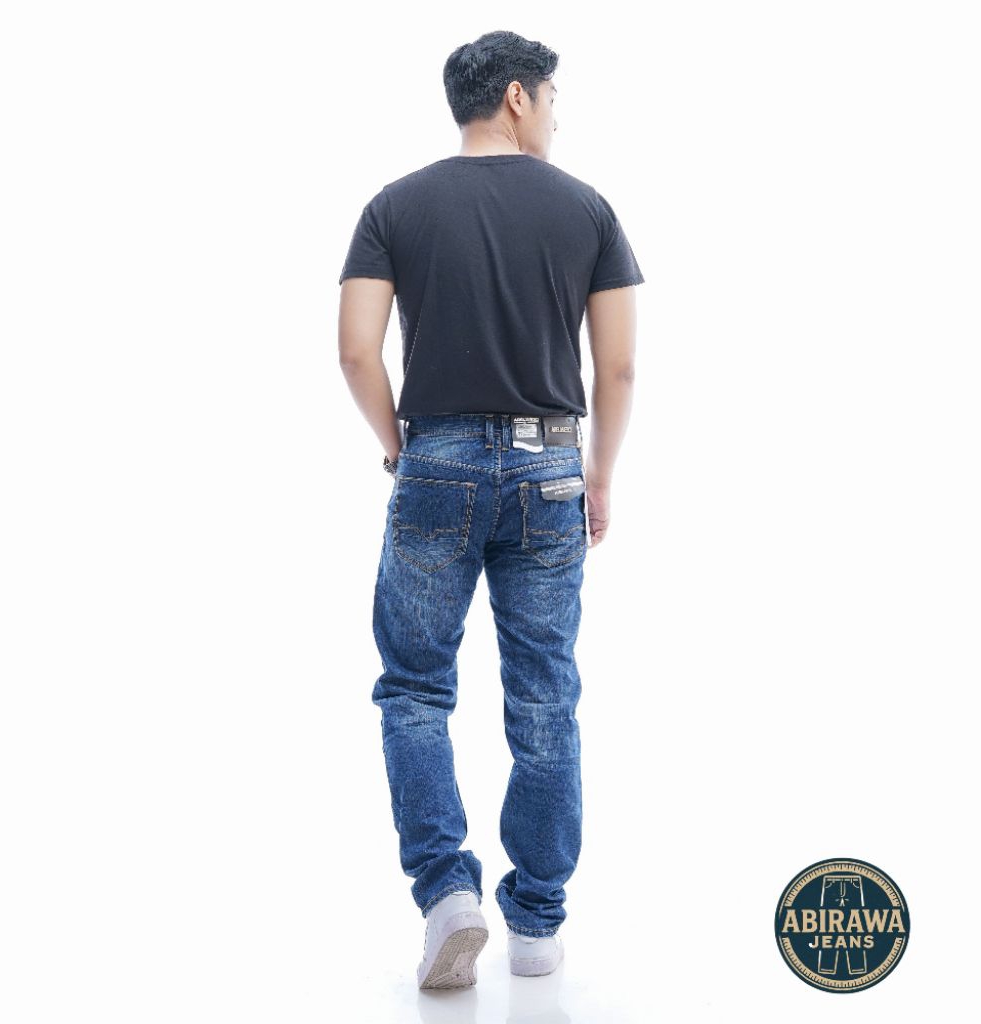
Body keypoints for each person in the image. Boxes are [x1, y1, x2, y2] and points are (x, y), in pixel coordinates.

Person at [337, 30, 643, 989]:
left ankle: (447, 897)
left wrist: (402, 448)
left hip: (435, 460)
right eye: (551, 98)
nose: (554, 117)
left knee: (415, 689)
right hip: (552, 467)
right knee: (546, 695)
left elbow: (355, 350)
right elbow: (618, 368)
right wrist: (598, 476)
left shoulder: (394, 206)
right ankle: (539, 923)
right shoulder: (587, 209)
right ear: (517, 96)